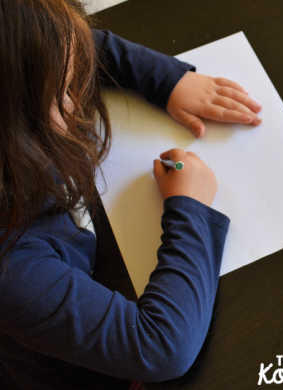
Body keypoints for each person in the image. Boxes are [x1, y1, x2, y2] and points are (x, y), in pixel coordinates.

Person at [0, 0, 262, 388]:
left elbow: (66, 43)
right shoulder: (13, 267)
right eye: (63, 91)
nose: (78, 99)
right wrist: (189, 207)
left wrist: (167, 79)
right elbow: (161, 347)